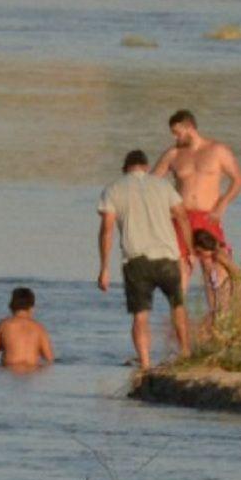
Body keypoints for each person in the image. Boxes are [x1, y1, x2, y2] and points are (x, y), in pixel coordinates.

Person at [98, 149, 194, 368]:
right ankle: (186, 354)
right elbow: (182, 218)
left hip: (136, 260)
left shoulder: (113, 189)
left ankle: (145, 363)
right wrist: (189, 252)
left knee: (140, 316)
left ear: (125, 169)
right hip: (168, 257)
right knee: (177, 306)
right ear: (146, 166)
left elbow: (107, 230)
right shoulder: (163, 185)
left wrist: (104, 267)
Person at [152, 110, 241, 312]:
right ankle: (176, 323)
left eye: (177, 133)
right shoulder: (173, 154)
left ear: (189, 128)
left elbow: (238, 180)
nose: (175, 137)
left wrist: (222, 204)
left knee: (212, 268)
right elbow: (151, 183)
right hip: (181, 217)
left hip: (208, 217)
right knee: (180, 270)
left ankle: (219, 317)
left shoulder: (217, 150)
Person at [0, 287, 55, 371]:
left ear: (11, 305)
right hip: (32, 371)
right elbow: (49, 357)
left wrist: (3, 344)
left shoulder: (4, 325)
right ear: (31, 307)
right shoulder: (39, 328)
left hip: (9, 370)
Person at [191, 230, 241, 316]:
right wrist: (211, 310)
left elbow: (237, 273)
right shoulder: (207, 261)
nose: (198, 256)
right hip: (218, 304)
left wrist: (236, 299)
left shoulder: (220, 255)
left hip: (228, 300)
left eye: (199, 252)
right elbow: (209, 287)